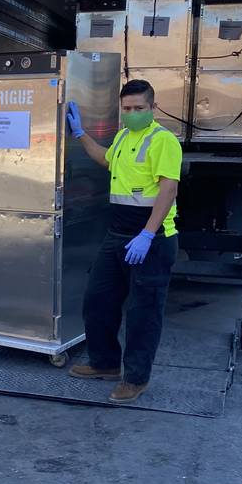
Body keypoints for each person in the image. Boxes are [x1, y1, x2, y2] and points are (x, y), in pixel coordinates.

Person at [65, 79, 182, 403]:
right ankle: (105, 363)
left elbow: (168, 189)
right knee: (98, 300)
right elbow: (106, 159)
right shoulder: (123, 137)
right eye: (127, 108)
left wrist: (147, 233)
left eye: (138, 108)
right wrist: (80, 134)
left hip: (152, 239)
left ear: (153, 108)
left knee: (144, 312)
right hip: (117, 235)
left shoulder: (164, 141)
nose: (132, 114)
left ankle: (136, 378)